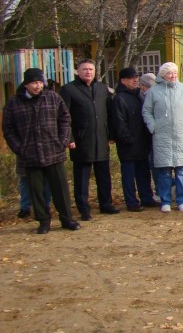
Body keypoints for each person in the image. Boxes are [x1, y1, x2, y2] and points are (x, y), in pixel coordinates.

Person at [3, 68, 80, 234]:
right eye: (33, 83)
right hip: (29, 154)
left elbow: (65, 119)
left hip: (54, 151)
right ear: (26, 84)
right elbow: (8, 128)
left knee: (60, 188)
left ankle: (67, 219)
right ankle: (43, 221)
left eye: (39, 82)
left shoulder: (52, 97)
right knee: (36, 191)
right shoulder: (14, 103)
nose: (37, 86)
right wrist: (19, 148)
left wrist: (62, 140)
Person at [60, 59, 118, 220]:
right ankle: (83, 209)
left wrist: (111, 134)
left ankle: (106, 204)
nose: (88, 72)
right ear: (77, 71)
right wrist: (69, 137)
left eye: (91, 69)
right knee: (82, 178)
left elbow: (109, 113)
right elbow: (64, 116)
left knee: (104, 175)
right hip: (81, 140)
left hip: (101, 138)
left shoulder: (101, 88)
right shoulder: (68, 90)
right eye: (85, 69)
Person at [143, 62, 183, 213]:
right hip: (162, 136)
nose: (173, 76)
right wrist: (153, 126)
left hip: (181, 135)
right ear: (163, 75)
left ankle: (181, 200)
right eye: (170, 73)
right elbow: (147, 111)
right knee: (164, 171)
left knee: (182, 170)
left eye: (175, 73)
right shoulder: (154, 91)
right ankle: (165, 200)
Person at [111, 67, 158, 212]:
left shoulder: (139, 95)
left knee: (144, 173)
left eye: (137, 77)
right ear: (123, 80)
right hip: (129, 144)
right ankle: (131, 202)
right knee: (129, 176)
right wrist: (128, 139)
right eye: (132, 78)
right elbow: (119, 122)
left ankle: (147, 198)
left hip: (142, 142)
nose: (136, 80)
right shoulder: (119, 98)